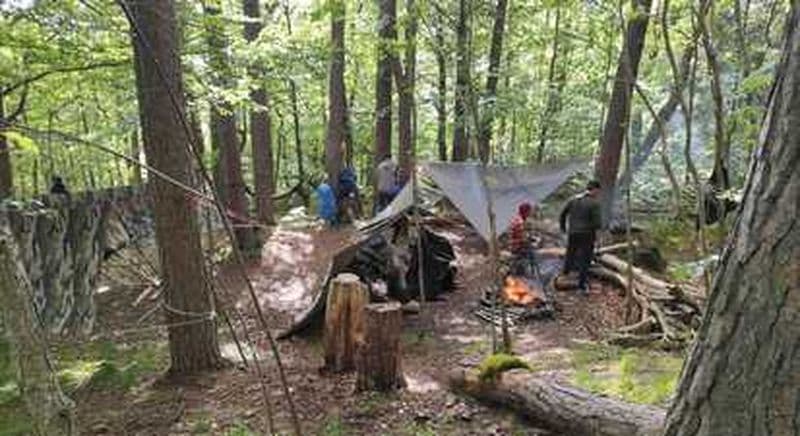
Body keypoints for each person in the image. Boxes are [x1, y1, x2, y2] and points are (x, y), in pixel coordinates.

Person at [559, 180, 602, 295]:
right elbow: (597, 223)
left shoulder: (573, 199)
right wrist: (597, 229)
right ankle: (581, 286)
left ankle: (564, 276)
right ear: (595, 190)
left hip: (572, 233)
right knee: (585, 259)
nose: (598, 194)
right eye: (598, 191)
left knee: (570, 254)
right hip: (587, 234)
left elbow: (563, 214)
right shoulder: (594, 203)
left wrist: (563, 228)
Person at [508, 202, 538, 276]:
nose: (530, 213)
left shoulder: (517, 218)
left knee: (531, 248)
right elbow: (523, 239)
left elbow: (522, 235)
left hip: (514, 244)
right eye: (529, 211)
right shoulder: (520, 222)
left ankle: (525, 271)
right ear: (526, 212)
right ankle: (528, 273)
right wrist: (532, 240)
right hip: (517, 246)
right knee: (532, 252)